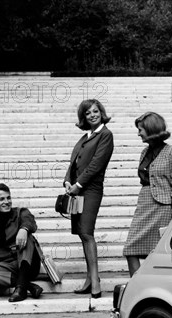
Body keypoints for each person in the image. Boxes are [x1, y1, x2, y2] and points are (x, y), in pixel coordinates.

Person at [63, 99, 114, 298]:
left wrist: (78, 185)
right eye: (87, 113)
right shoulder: (86, 136)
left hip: (90, 190)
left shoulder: (105, 135)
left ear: (101, 112)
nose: (92, 115)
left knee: (87, 232)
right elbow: (73, 163)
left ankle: (95, 281)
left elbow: (96, 164)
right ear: (83, 117)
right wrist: (67, 181)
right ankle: (89, 279)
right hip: (76, 190)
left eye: (95, 111)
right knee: (82, 234)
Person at [123, 112, 172, 276]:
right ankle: (138, 285)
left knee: (158, 251)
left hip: (163, 207)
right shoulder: (144, 152)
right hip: (144, 203)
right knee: (130, 248)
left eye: (141, 129)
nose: (138, 133)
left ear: (150, 129)